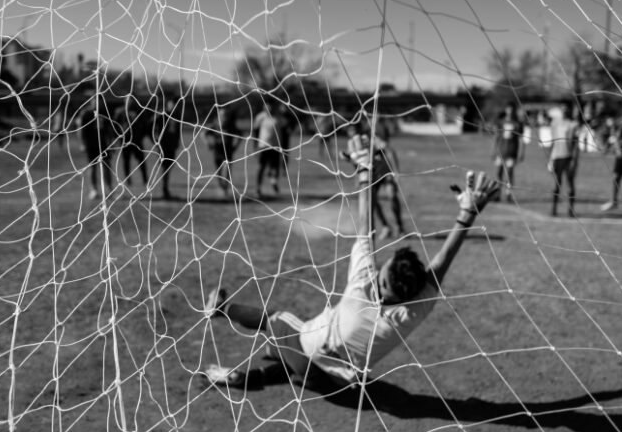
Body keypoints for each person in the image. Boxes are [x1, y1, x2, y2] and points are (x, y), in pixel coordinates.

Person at [199, 140, 499, 390]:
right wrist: (467, 214)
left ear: (382, 279)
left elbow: (365, 227)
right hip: (338, 385)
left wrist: (364, 175)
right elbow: (440, 265)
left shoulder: (361, 285)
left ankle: (222, 309)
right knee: (302, 359)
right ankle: (248, 377)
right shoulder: (412, 311)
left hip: (308, 354)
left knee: (279, 319)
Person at [348, 121, 406, 239]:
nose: (351, 134)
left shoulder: (372, 139)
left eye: (353, 131)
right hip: (372, 172)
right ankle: (386, 227)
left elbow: (390, 151)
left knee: (391, 195)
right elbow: (358, 163)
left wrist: (396, 171)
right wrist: (357, 177)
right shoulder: (353, 144)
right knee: (372, 201)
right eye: (350, 132)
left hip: (384, 169)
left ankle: (400, 227)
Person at [77, 93, 116, 201]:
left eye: (99, 100)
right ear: (91, 101)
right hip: (91, 144)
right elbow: (80, 129)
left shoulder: (105, 113)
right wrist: (82, 144)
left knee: (107, 166)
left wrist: (111, 143)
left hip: (103, 144)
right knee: (92, 167)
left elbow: (110, 130)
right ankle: (94, 189)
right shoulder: (85, 113)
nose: (96, 102)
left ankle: (109, 189)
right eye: (94, 100)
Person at [548, 103, 580, 218]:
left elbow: (576, 145)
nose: (564, 111)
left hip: (568, 157)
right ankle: (554, 208)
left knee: (570, 184)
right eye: (563, 109)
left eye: (566, 109)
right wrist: (550, 159)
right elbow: (553, 142)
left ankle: (571, 210)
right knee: (556, 184)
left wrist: (574, 160)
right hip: (557, 157)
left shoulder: (573, 125)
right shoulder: (554, 124)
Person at [114, 94, 150, 192]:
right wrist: (118, 137)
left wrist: (141, 136)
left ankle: (145, 179)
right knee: (126, 161)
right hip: (125, 141)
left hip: (137, 140)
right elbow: (115, 126)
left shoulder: (139, 111)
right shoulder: (119, 112)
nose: (130, 101)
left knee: (141, 160)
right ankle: (127, 180)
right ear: (125, 100)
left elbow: (145, 125)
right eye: (128, 99)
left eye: (132, 99)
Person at [490, 103, 525, 203]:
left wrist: (521, 152)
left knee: (509, 173)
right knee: (498, 173)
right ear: (506, 110)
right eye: (508, 109)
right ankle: (497, 194)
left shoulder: (518, 123)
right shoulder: (501, 122)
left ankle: (508, 194)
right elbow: (496, 137)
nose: (510, 111)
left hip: (511, 152)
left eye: (512, 109)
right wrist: (493, 150)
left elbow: (521, 139)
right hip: (500, 152)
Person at [150, 94, 182, 200]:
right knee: (164, 166)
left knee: (169, 166)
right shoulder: (161, 114)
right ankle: (163, 189)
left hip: (172, 144)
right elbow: (152, 126)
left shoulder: (177, 114)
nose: (174, 106)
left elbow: (178, 130)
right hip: (163, 144)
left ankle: (165, 188)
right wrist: (156, 138)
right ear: (168, 104)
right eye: (172, 103)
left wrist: (177, 141)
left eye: (175, 104)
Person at [204, 104, 242, 193]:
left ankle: (225, 187)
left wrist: (235, 146)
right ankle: (221, 185)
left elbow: (240, 135)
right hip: (217, 150)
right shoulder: (214, 124)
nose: (224, 116)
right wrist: (208, 143)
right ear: (219, 114)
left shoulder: (231, 125)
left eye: (225, 114)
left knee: (227, 168)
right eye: (222, 114)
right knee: (219, 171)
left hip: (228, 150)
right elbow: (204, 134)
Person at [252, 102, 284, 197]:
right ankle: (258, 188)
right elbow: (255, 131)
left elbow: (284, 129)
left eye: (270, 107)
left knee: (275, 167)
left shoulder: (278, 117)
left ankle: (273, 182)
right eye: (267, 107)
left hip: (275, 146)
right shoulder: (260, 117)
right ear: (264, 107)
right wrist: (255, 146)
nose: (269, 109)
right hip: (263, 145)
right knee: (261, 167)